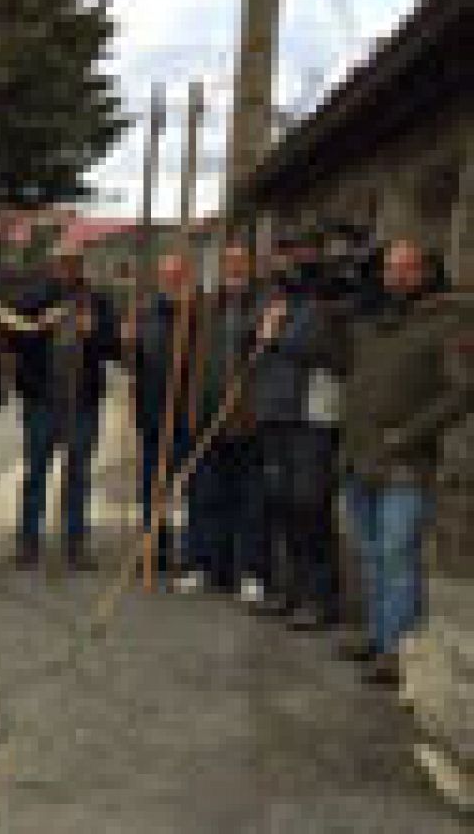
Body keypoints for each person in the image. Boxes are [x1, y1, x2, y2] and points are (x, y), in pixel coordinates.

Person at [336, 239, 470, 688]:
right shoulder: (376, 319)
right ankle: (379, 637)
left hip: (405, 464)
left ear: (427, 271)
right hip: (361, 456)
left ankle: (400, 651)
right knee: (373, 556)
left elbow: (461, 391)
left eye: (405, 269)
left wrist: (409, 434)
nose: (394, 276)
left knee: (398, 557)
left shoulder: (450, 321)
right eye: (390, 269)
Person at [248, 229, 345, 631]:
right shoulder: (275, 297)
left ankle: (320, 598)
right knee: (282, 502)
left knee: (310, 504)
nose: (286, 261)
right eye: (281, 254)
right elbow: (255, 344)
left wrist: (277, 334)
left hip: (311, 416)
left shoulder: (329, 296)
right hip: (276, 411)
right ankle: (291, 589)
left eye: (294, 253)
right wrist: (265, 333)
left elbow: (322, 348)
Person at [5, 242, 120, 571]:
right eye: (63, 263)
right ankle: (28, 544)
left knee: (78, 475)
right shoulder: (33, 298)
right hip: (42, 401)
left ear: (81, 266)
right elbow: (14, 337)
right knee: (36, 473)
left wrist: (94, 332)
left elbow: (113, 348)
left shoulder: (97, 302)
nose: (68, 269)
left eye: (74, 263)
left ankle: (75, 545)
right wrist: (41, 325)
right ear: (53, 265)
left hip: (81, 402)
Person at [180, 244, 266, 599]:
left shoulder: (263, 305)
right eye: (228, 264)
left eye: (240, 263)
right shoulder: (206, 307)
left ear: (250, 267)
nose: (234, 269)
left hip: (248, 418)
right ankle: (203, 565)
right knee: (205, 495)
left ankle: (249, 571)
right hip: (207, 414)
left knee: (250, 499)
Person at [121, 252, 199, 584]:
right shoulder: (146, 313)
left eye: (176, 274)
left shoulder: (196, 313)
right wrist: (127, 342)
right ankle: (155, 549)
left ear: (186, 275)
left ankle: (194, 555)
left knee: (193, 486)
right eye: (166, 274)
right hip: (152, 412)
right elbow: (133, 365)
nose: (171, 279)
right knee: (153, 486)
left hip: (187, 411)